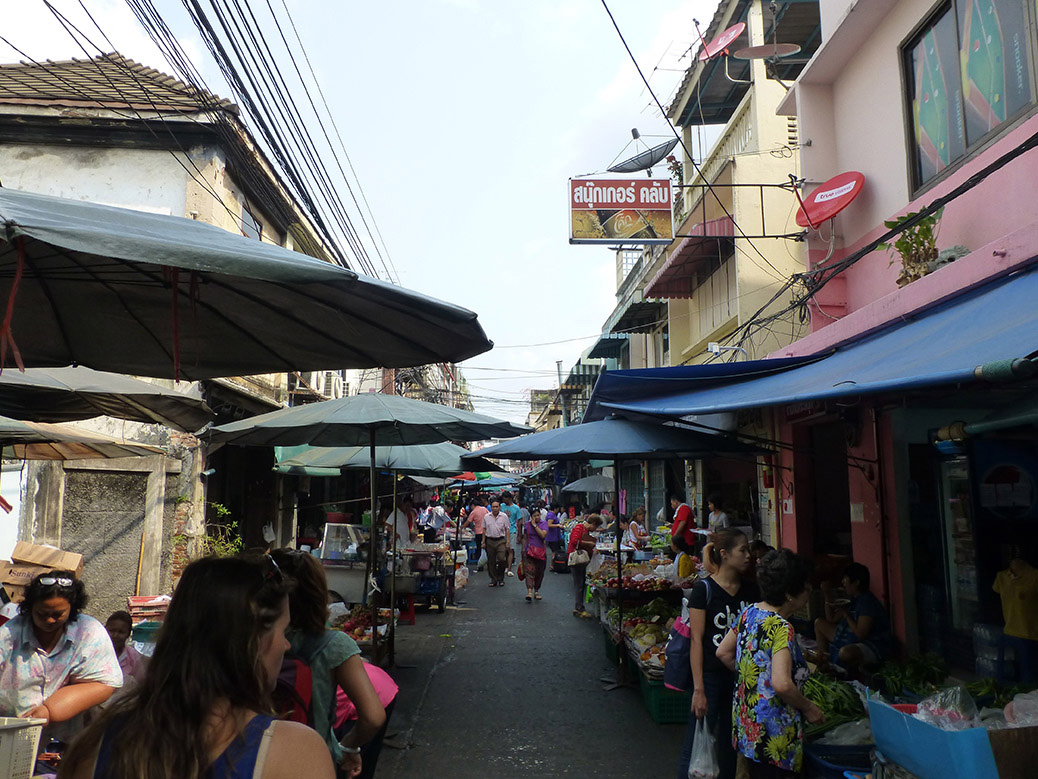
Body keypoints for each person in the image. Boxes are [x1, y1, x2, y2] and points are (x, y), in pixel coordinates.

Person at [61, 555, 335, 779]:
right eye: (282, 632)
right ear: (251, 640)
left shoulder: (95, 745)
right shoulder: (294, 753)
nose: (286, 646)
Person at [270, 549, 385, 777]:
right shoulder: (334, 645)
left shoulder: (252, 639)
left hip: (263, 758)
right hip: (316, 761)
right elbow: (373, 716)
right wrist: (349, 745)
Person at [717, 549, 823, 778]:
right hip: (774, 737)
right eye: (805, 586)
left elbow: (723, 652)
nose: (809, 591)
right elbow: (782, 684)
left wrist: (753, 679)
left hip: (748, 727)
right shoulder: (781, 628)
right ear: (789, 595)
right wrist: (809, 707)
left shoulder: (749, 613)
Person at [0, 571, 121, 744]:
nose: (49, 620)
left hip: (69, 741)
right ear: (30, 608)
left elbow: (107, 682)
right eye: (42, 614)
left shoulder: (88, 632)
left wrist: (50, 711)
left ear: (72, 608)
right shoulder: (8, 634)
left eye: (58, 614)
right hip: (13, 738)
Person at [676, 530, 758, 779]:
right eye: (742, 550)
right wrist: (699, 689)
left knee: (730, 746)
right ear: (724, 554)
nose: (748, 556)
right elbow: (697, 641)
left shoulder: (752, 592)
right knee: (696, 743)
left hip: (740, 680)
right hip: (710, 679)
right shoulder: (704, 590)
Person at [814, 562, 891, 672]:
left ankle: (846, 671)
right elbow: (831, 619)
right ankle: (824, 663)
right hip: (851, 636)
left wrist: (846, 614)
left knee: (845, 653)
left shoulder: (867, 602)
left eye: (845, 579)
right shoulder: (853, 599)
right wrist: (827, 594)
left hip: (871, 645)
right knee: (819, 623)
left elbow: (861, 635)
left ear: (856, 583)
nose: (843, 583)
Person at [333, 661, 398, 779]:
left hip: (371, 697)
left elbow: (373, 720)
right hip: (381, 684)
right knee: (363, 759)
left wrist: (347, 746)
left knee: (345, 764)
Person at [568, 513, 603, 618]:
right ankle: (579, 608)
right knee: (579, 584)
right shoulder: (579, 527)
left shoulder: (585, 530)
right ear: (592, 523)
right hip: (577, 559)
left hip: (581, 561)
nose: (595, 529)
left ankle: (578, 606)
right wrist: (589, 544)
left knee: (581, 583)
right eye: (595, 526)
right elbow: (574, 541)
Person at [104, 611, 147, 695]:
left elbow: (142, 684)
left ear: (128, 634)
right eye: (112, 631)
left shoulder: (133, 657)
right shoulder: (95, 653)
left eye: (121, 632)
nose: (115, 635)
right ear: (105, 629)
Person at [523, 507, 549, 602]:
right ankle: (529, 591)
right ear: (531, 517)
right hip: (529, 551)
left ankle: (536, 590)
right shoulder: (527, 525)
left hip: (540, 552)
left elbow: (543, 535)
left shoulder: (544, 524)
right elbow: (525, 537)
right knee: (529, 571)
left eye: (538, 515)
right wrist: (523, 549)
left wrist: (535, 526)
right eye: (535, 516)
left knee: (539, 572)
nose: (537, 517)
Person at [483, 500, 511, 587]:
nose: (495, 508)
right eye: (493, 507)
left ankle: (501, 577)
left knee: (502, 559)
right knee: (491, 561)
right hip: (490, 540)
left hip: (500, 540)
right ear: (491, 508)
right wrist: (483, 541)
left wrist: (508, 542)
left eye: (496, 507)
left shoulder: (504, 516)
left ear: (499, 507)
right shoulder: (486, 517)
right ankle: (494, 579)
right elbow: (483, 529)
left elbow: (507, 529)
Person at [464, 495, 489, 571]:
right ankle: (488, 563)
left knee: (479, 548)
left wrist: (461, 528)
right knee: (487, 549)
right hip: (487, 532)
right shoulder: (484, 509)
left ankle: (480, 565)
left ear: (473, 505)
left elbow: (468, 522)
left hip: (479, 532)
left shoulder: (474, 512)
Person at [501, 492, 523, 576]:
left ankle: (509, 568)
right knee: (503, 550)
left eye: (504, 498)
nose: (503, 500)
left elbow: (519, 521)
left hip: (512, 531)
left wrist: (519, 535)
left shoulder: (516, 508)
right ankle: (504, 566)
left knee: (511, 550)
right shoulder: (501, 506)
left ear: (509, 498)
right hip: (501, 531)